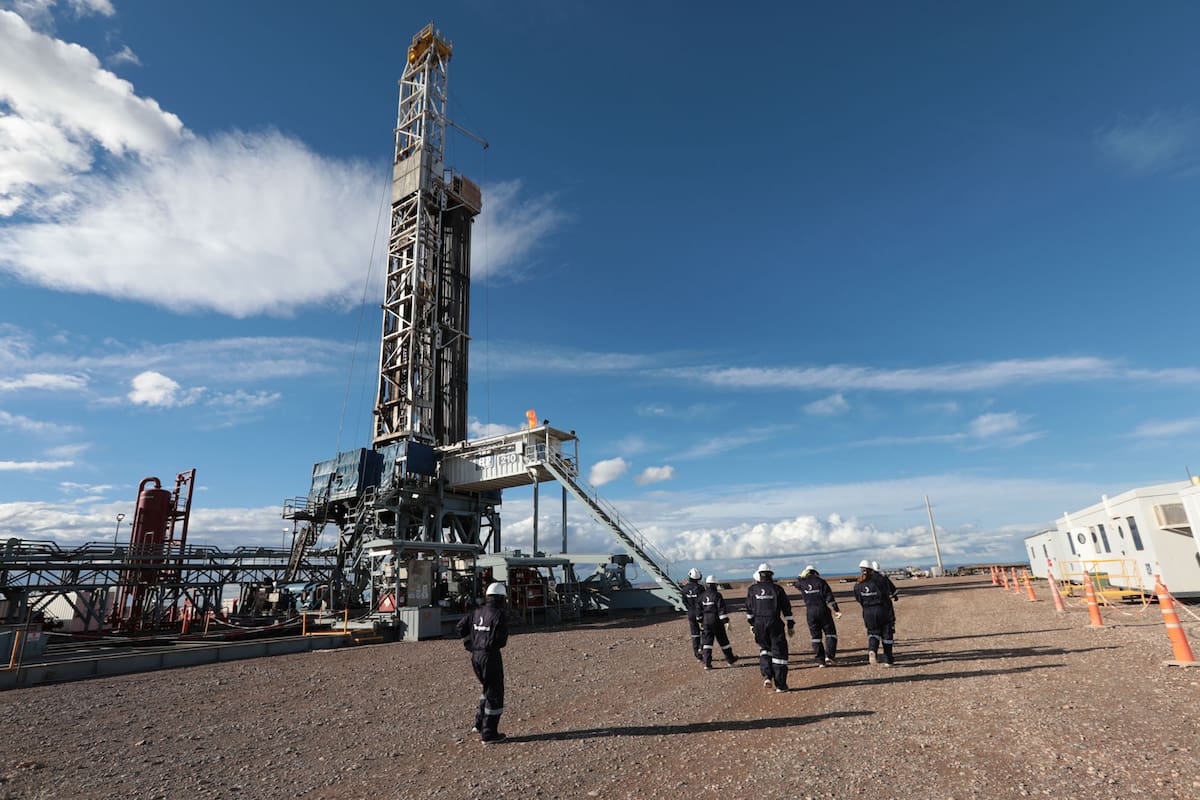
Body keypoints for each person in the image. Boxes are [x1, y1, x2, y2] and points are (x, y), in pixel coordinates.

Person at [455, 581, 510, 743]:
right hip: (490, 656)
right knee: (495, 693)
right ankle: (489, 733)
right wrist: (488, 645)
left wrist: (470, 644)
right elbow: (501, 641)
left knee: (487, 688)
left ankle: (479, 723)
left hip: (476, 656)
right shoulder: (499, 615)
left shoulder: (476, 612)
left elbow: (460, 627)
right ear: (501, 598)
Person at [745, 562, 794, 692]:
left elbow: (749, 609)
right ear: (771, 575)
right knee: (779, 653)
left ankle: (767, 676)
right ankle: (781, 685)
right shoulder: (777, 589)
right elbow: (786, 608)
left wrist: (752, 624)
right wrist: (790, 624)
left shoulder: (752, 589)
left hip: (759, 624)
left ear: (759, 575)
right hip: (774, 622)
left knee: (765, 649)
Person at [792, 565, 841, 666]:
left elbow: (795, 584)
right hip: (823, 610)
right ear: (815, 572)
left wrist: (800, 576)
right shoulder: (821, 582)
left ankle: (820, 661)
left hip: (810, 612)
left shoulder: (802, 583)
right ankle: (830, 656)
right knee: (830, 634)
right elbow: (829, 597)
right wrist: (836, 609)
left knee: (816, 637)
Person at [853, 560, 894, 666]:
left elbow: (858, 598)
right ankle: (888, 660)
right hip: (881, 609)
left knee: (873, 633)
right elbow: (886, 595)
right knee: (886, 634)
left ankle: (872, 650)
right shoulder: (880, 580)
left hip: (867, 611)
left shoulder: (858, 583)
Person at [699, 575, 738, 669]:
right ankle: (730, 660)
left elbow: (698, 610)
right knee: (723, 641)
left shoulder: (702, 596)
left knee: (707, 642)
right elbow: (721, 609)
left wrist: (700, 621)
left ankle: (707, 663)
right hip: (716, 621)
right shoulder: (717, 595)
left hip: (706, 621)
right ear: (715, 584)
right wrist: (726, 621)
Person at [872, 560, 900, 642]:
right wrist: (895, 595)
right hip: (886, 601)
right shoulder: (883, 577)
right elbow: (892, 588)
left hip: (873, 603)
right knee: (889, 616)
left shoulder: (869, 579)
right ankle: (891, 628)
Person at [682, 567, 705, 661]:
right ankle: (702, 648)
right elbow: (704, 600)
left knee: (695, 633)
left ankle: (697, 653)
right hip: (700, 613)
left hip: (691, 613)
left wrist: (690, 609)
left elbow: (684, 601)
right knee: (704, 632)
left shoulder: (684, 588)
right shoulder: (700, 588)